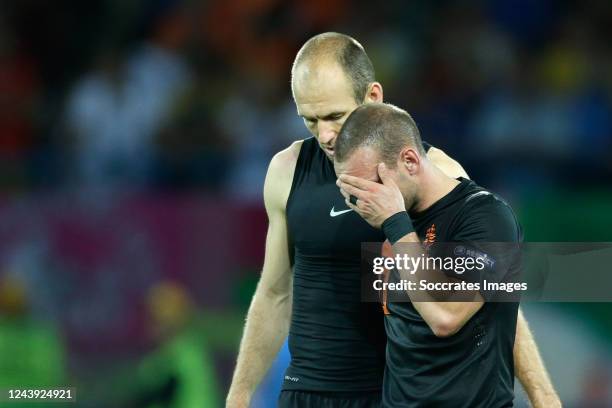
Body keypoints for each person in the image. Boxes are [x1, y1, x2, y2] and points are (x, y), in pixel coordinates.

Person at [227, 32, 559, 408]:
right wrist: (239, 395)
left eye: (335, 116)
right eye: (310, 120)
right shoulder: (287, 171)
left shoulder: (435, 178)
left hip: (385, 393)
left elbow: (490, 296)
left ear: (372, 96)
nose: (326, 135)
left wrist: (542, 394)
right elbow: (274, 293)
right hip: (304, 392)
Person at [335, 102, 528, 406]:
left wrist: (396, 225)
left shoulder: (487, 218)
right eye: (353, 192)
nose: (364, 202)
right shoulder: (388, 221)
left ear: (410, 161)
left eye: (372, 186)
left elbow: (444, 316)